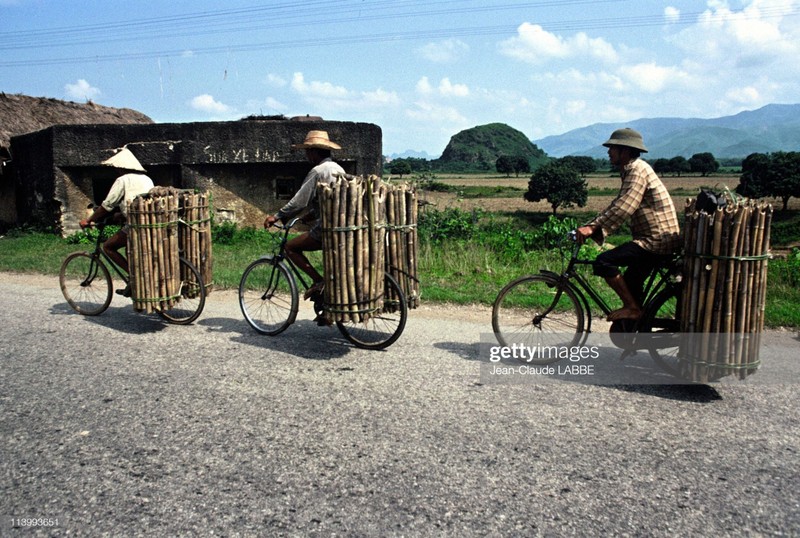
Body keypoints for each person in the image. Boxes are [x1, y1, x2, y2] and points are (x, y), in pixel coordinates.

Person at [575, 128, 680, 321]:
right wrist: (593, 224)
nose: (608, 152)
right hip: (654, 239)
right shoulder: (631, 170)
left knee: (604, 261)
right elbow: (618, 203)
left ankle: (633, 308)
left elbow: (624, 207)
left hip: (655, 241)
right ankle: (635, 326)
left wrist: (591, 228)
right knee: (631, 282)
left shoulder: (637, 170)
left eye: (612, 148)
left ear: (625, 151)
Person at [263, 130, 346, 302]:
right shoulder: (339, 169)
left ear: (315, 152)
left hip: (327, 228)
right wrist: (311, 215)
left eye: (308, 151)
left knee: (290, 247)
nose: (307, 155)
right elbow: (331, 201)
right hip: (343, 226)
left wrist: (277, 216)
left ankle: (318, 281)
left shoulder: (318, 171)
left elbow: (299, 201)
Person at [79, 147, 154, 295]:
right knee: (129, 250)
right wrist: (120, 214)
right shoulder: (147, 179)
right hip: (151, 222)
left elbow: (106, 206)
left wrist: (89, 220)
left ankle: (134, 277)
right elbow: (139, 201)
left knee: (108, 247)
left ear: (121, 167)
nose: (115, 171)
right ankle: (136, 279)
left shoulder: (122, 180)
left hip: (136, 225)